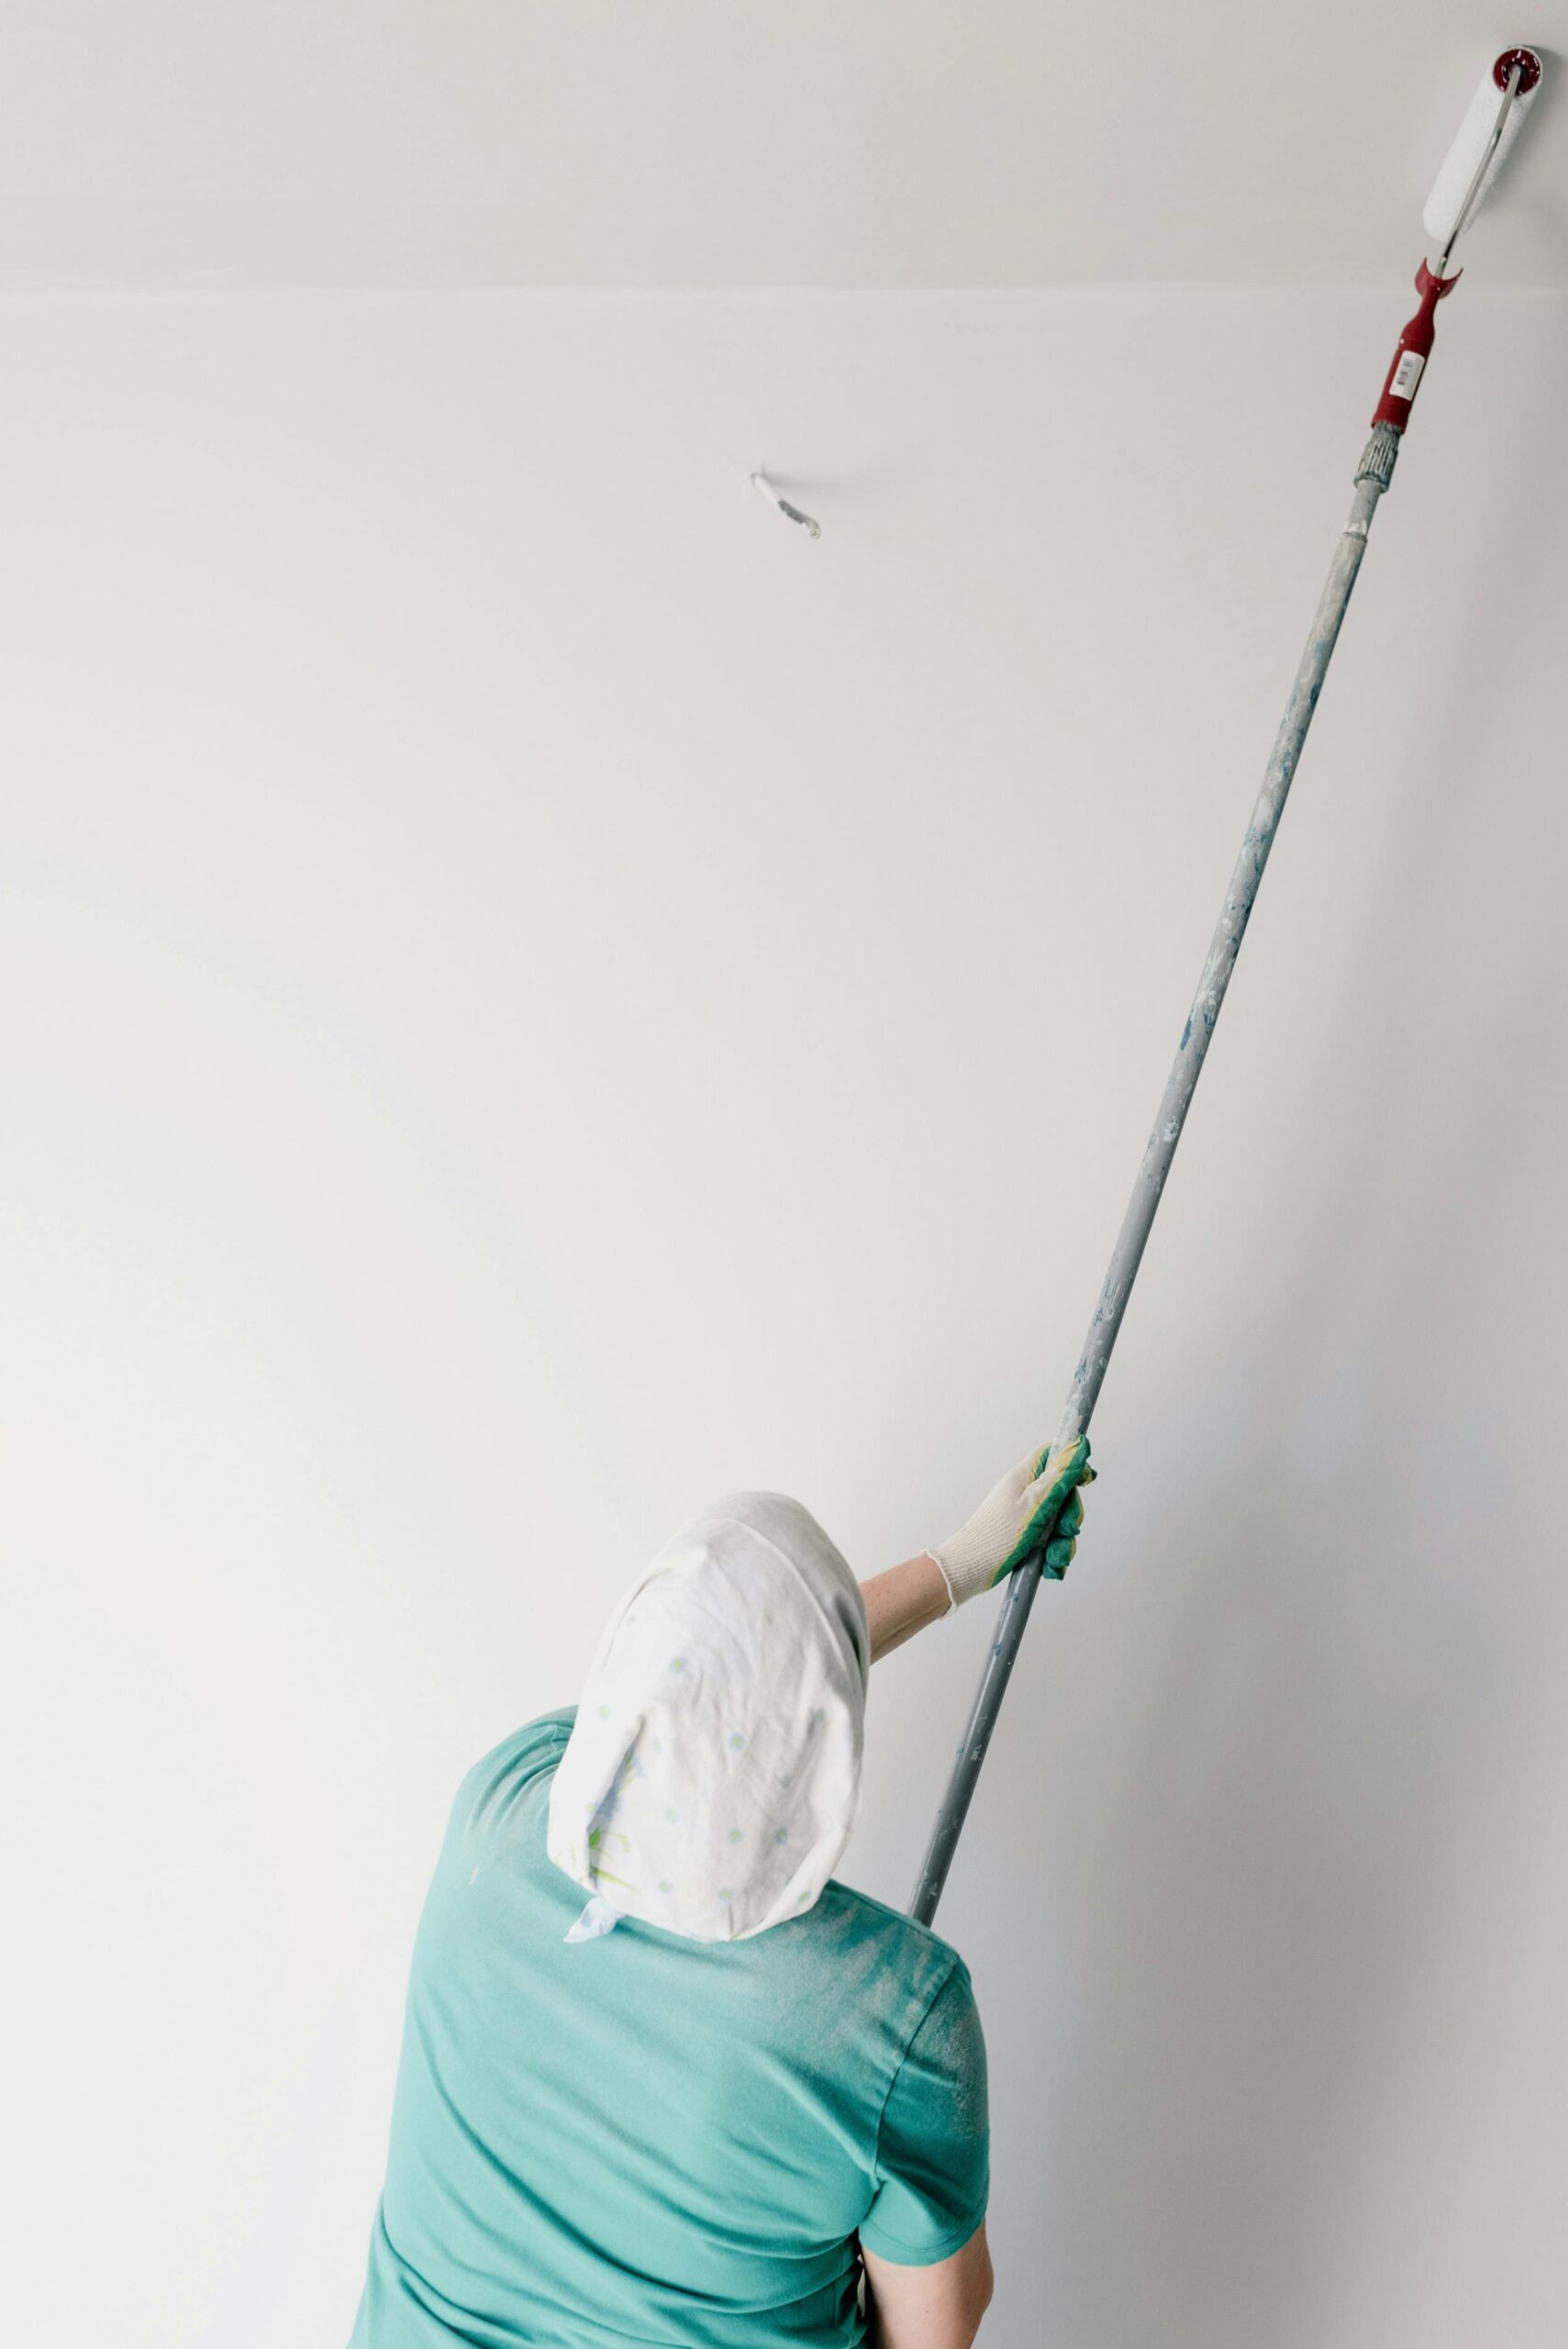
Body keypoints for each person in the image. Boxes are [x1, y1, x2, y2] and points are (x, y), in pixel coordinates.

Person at [349, 1435, 1093, 2349]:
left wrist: (956, 1568)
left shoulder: (499, 1807)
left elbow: (690, 1693)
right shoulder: (896, 2015)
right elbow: (936, 2330)